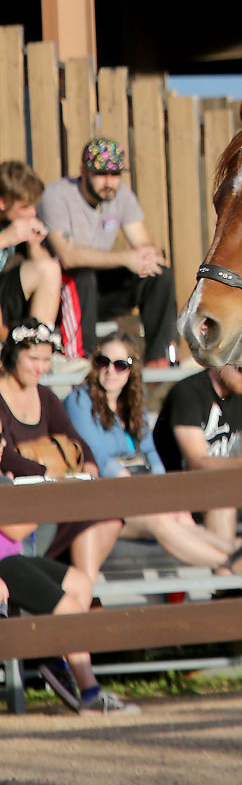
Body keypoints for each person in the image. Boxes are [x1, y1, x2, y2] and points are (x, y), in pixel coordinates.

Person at [63, 338, 242, 571]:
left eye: (120, 364)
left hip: (134, 493)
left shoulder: (130, 403)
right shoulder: (79, 401)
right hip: (102, 502)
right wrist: (147, 496)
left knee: (179, 515)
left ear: (131, 370)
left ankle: (236, 548)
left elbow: (151, 453)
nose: (110, 370)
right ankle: (232, 559)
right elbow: (97, 457)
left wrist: (164, 495)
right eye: (103, 362)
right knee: (161, 519)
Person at [0, 473, 137, 718]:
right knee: (70, 609)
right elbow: (16, 528)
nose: (1, 446)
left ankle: (58, 658)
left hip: (13, 558)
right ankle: (90, 694)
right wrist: (49, 499)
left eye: (1, 439)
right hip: (2, 566)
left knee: (81, 583)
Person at [0, 320, 123, 587]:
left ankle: (83, 590)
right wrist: (49, 475)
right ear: (13, 356)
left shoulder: (45, 396)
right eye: (33, 358)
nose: (41, 367)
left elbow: (75, 439)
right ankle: (83, 596)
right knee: (86, 519)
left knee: (110, 517)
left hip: (52, 494)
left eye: (46, 360)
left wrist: (88, 465)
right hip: (21, 502)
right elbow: (5, 455)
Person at [39, 138, 177, 366]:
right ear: (83, 171)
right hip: (61, 291)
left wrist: (149, 258)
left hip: (100, 289)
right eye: (101, 174)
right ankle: (83, 360)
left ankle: (159, 357)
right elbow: (68, 256)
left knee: (159, 273)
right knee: (83, 275)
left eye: (115, 175)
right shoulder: (57, 195)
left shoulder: (121, 196)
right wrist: (126, 258)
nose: (110, 182)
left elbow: (144, 244)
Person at [152, 355, 242, 574]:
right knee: (223, 496)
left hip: (224, 488)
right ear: (223, 362)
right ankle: (227, 588)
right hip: (182, 493)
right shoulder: (188, 392)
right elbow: (197, 463)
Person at [0, 161, 62, 336]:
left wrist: (34, 244)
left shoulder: (12, 221)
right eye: (25, 207)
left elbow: (44, 269)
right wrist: (5, 239)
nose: (32, 213)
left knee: (49, 268)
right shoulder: (8, 232)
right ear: (3, 202)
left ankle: (38, 346)